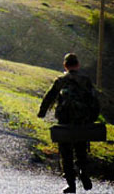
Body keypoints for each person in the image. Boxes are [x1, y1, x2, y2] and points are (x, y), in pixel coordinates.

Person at [38, 53, 100, 193]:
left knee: (66, 154)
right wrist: (92, 118)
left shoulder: (60, 80)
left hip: (65, 123)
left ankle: (71, 185)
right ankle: (84, 172)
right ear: (77, 65)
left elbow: (50, 97)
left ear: (65, 66)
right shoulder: (86, 80)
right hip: (83, 122)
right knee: (81, 151)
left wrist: (42, 112)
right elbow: (94, 100)